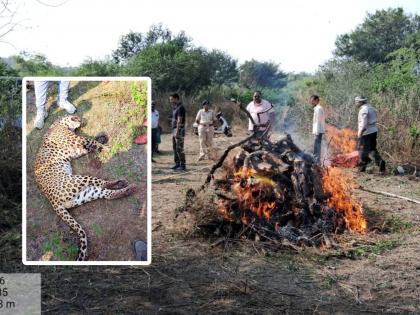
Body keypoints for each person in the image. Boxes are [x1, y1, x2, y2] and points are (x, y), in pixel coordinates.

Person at [355, 96, 386, 173]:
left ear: (360, 102)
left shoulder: (363, 110)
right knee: (372, 148)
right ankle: (380, 162)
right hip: (373, 130)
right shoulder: (371, 108)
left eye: (356, 102)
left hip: (366, 132)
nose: (356, 103)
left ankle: (362, 167)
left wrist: (361, 133)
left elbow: (364, 123)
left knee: (362, 150)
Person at [169, 93, 186, 171]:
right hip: (174, 130)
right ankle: (177, 164)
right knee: (175, 148)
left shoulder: (180, 108)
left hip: (179, 130)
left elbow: (179, 120)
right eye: (170, 99)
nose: (170, 101)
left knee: (179, 148)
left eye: (172, 99)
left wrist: (177, 131)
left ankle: (183, 165)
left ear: (176, 98)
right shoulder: (175, 108)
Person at [310, 95, 325, 164]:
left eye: (312, 100)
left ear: (316, 100)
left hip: (318, 131)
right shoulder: (317, 108)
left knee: (317, 146)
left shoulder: (319, 108)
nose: (311, 102)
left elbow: (318, 121)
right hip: (317, 130)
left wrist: (316, 132)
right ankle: (316, 160)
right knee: (316, 146)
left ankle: (317, 161)